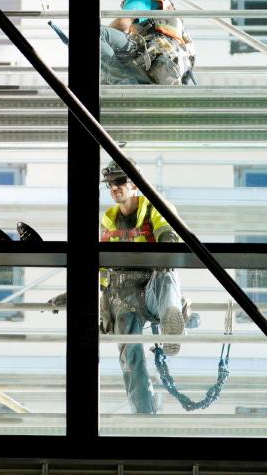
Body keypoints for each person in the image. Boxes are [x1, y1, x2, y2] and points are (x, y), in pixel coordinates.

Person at [99, 160, 195, 414]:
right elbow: (99, 269)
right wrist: (101, 303)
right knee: (132, 361)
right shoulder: (107, 221)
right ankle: (144, 416)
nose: (115, 188)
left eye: (119, 182)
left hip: (151, 287)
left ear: (134, 184)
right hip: (121, 296)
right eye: (110, 184)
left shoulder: (153, 208)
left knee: (167, 270)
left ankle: (171, 322)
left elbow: (167, 233)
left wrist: (165, 248)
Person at [99, 0, 195, 86]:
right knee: (103, 78)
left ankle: (126, 87)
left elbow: (121, 25)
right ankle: (124, 87)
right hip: (157, 67)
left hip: (159, 61)